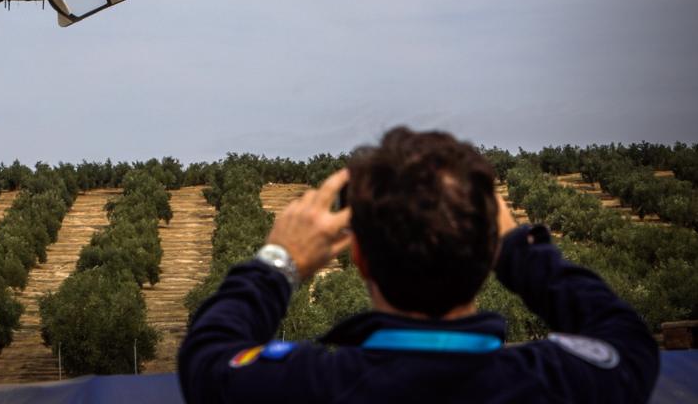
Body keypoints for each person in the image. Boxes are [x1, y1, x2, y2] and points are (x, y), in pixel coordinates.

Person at [178, 127, 659, 403]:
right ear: (487, 253)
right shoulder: (561, 383)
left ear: (359, 256)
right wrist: (519, 248)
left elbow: (207, 357)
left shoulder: (308, 386)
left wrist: (279, 261)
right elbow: (625, 337)